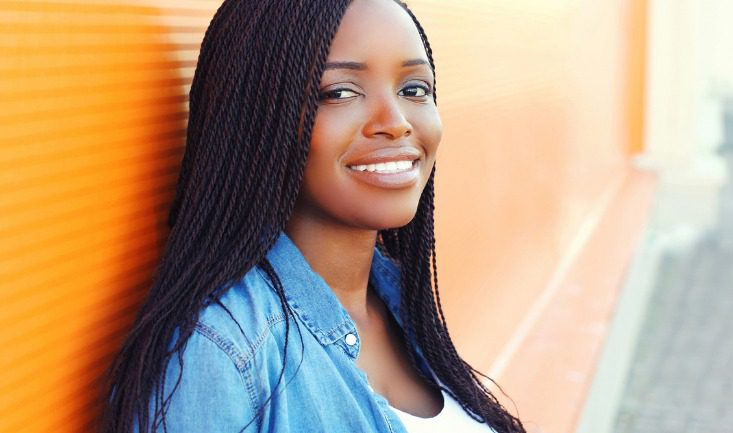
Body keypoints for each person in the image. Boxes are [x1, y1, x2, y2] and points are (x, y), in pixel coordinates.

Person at [102, 0, 527, 432]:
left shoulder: (397, 296)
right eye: (340, 92)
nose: (396, 122)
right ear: (259, 116)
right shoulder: (217, 351)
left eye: (414, 89)